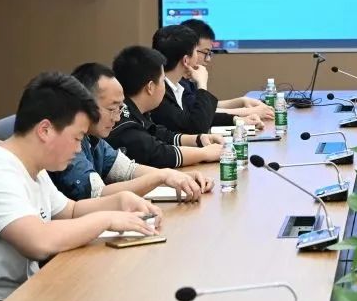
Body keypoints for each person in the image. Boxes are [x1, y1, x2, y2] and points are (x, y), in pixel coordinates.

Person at [0, 72, 162, 301]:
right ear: (45, 130)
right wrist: (107, 219)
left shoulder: (31, 166)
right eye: (77, 138)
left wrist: (120, 201)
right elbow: (39, 241)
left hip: (14, 300)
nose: (77, 149)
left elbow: (69, 211)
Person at [49, 63, 215, 200]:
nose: (117, 117)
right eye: (112, 109)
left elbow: (128, 170)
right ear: (84, 105)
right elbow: (97, 195)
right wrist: (162, 177)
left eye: (120, 108)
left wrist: (177, 177)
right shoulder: (68, 141)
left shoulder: (94, 139)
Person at [107, 46, 225, 168]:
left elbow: (160, 134)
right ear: (150, 87)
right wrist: (204, 154)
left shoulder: (136, 111)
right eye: (163, 81)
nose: (165, 87)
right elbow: (159, 153)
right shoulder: (125, 124)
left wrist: (198, 139)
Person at [179, 18, 273, 126]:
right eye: (205, 52)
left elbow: (205, 107)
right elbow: (202, 114)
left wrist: (241, 101)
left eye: (210, 53)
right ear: (188, 50)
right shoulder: (177, 82)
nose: (208, 59)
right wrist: (250, 112)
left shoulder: (188, 79)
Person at [151, 25, 221, 134]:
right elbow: (197, 128)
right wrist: (202, 85)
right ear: (186, 60)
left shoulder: (177, 86)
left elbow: (198, 116)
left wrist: (235, 118)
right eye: (196, 51)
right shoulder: (159, 94)